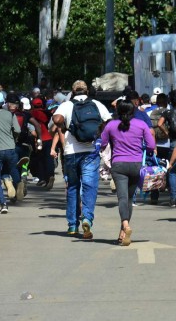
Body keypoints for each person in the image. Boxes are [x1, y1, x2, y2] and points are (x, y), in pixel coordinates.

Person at [52, 80, 112, 238]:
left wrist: (66, 126)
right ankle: (87, 218)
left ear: (73, 91)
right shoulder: (97, 104)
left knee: (72, 187)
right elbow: (109, 122)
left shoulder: (66, 105)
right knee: (89, 186)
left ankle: (72, 225)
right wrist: (99, 135)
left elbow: (56, 119)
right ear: (87, 91)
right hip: (91, 152)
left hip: (71, 152)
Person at [100, 100, 155, 246]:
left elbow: (102, 143)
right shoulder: (141, 124)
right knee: (129, 199)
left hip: (118, 165)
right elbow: (151, 145)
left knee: (122, 198)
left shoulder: (111, 125)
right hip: (136, 165)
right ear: (133, 111)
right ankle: (123, 233)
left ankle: (125, 225)